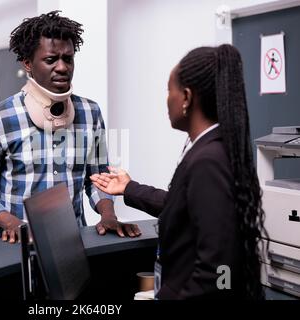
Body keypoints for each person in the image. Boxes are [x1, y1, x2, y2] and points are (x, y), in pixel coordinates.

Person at [91, 44, 267, 299]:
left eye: (168, 90)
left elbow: (219, 271)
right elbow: (187, 206)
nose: (166, 99)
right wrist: (128, 187)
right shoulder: (209, 149)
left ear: (185, 97)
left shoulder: (209, 160)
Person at [0, 11, 141, 243]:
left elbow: (99, 178)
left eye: (68, 59)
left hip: (74, 243)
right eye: (50, 60)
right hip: (17, 247)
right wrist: (12, 223)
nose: (62, 67)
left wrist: (108, 214)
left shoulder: (90, 112)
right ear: (28, 63)